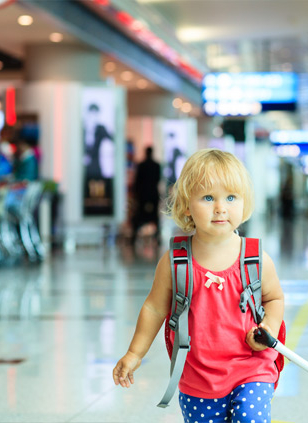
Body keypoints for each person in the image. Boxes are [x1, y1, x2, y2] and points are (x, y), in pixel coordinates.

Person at [113, 149, 285, 423]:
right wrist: (135, 353)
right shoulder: (176, 262)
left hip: (252, 368)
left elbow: (274, 299)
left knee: (249, 417)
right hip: (198, 377)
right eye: (208, 198)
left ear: (245, 202)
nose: (220, 207)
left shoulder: (254, 259)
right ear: (185, 205)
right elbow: (155, 308)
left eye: (231, 197)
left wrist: (269, 328)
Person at [132, 146, 162, 242]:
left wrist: (136, 193)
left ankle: (135, 235)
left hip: (143, 194)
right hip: (152, 193)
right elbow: (158, 179)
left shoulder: (142, 165)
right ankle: (157, 236)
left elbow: (137, 181)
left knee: (140, 214)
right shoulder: (156, 165)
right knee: (153, 215)